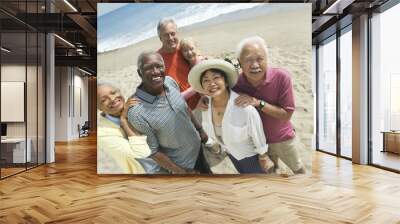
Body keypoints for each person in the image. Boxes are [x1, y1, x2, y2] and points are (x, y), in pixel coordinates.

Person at [127, 51, 209, 174]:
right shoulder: (137, 113)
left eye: (159, 66)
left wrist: (200, 129)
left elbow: (184, 107)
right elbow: (153, 151)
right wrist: (182, 172)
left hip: (198, 148)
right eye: (149, 68)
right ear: (140, 73)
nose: (156, 71)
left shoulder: (170, 82)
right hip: (185, 165)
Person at [232, 36, 306, 174]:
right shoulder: (236, 84)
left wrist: (257, 102)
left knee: (298, 169)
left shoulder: (282, 77)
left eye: (260, 59)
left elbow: (286, 115)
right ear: (240, 63)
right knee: (272, 172)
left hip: (282, 138)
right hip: (259, 144)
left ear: (267, 59)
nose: (254, 65)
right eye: (248, 60)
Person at [188, 59, 274, 174]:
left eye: (216, 78)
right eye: (206, 80)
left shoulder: (244, 108)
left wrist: (263, 156)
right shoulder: (205, 106)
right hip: (231, 154)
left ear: (226, 81)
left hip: (251, 157)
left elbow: (257, 134)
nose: (211, 83)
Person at [97, 82, 151, 174]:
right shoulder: (102, 134)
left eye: (113, 93)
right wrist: (124, 121)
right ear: (99, 108)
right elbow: (142, 152)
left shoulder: (138, 105)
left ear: (120, 92)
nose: (112, 99)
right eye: (103, 100)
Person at [157, 18, 200, 110]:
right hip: (181, 110)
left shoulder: (185, 48)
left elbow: (200, 64)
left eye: (173, 33)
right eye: (166, 35)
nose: (170, 38)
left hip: (202, 100)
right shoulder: (157, 59)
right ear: (160, 38)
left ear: (177, 33)